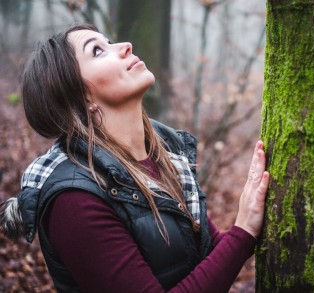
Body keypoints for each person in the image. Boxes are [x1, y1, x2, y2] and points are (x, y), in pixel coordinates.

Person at [0, 23, 269, 292]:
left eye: (109, 41)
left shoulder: (166, 154)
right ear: (80, 97)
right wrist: (243, 230)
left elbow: (208, 254)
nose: (125, 46)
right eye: (97, 51)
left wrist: (251, 213)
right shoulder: (74, 199)